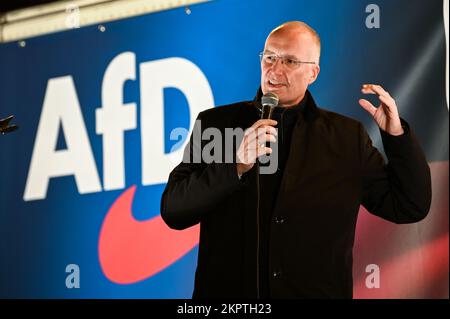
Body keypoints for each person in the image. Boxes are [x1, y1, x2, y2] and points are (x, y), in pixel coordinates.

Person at [160, 21, 431, 298]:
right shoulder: (217, 125)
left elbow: (409, 206)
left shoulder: (346, 137)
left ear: (312, 72)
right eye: (270, 57)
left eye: (289, 61)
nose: (275, 70)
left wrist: (396, 136)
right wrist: (235, 165)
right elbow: (174, 210)